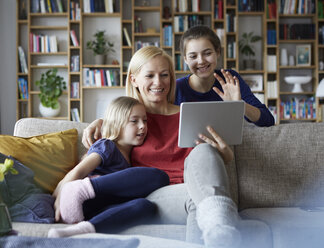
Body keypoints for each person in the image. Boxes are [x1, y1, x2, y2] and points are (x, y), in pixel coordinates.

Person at [82, 46, 242, 247]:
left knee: (202, 154)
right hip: (157, 195)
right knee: (197, 199)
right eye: (150, 75)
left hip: (201, 188)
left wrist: (225, 154)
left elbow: (216, 162)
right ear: (134, 80)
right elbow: (106, 151)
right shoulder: (130, 123)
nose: (158, 82)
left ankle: (219, 231)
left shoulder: (193, 114)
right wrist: (103, 122)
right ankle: (223, 231)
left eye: (164, 75)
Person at [48, 96, 169, 238]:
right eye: (134, 121)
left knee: (146, 207)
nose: (142, 126)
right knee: (159, 177)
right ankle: (84, 189)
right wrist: (59, 199)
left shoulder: (133, 156)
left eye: (145, 120)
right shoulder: (107, 146)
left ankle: (82, 231)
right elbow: (79, 171)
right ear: (117, 124)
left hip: (98, 211)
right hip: (84, 200)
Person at [176, 25, 275, 127]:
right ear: (185, 60)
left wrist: (240, 105)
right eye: (193, 56)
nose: (201, 61)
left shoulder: (230, 79)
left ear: (217, 52)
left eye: (207, 53)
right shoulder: (176, 87)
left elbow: (268, 121)